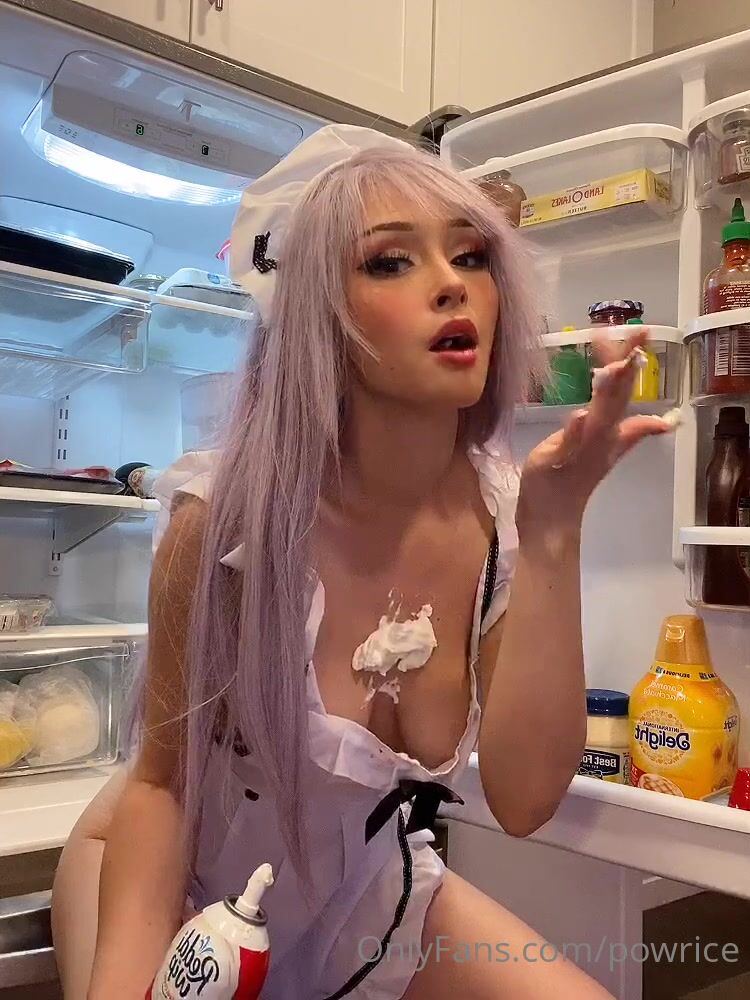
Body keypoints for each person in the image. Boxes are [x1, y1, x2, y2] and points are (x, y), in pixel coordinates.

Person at [52, 124, 675, 999]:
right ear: (322, 319)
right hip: (177, 880)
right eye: (390, 262)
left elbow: (526, 800)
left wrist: (556, 530)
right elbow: (159, 791)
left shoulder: (501, 523)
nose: (453, 284)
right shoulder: (225, 524)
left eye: (472, 256)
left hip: (365, 890)